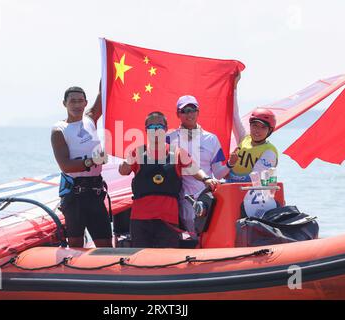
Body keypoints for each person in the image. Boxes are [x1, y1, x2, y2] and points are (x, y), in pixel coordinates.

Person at [118, 111, 217, 248]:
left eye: (159, 126)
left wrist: (206, 179)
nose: (156, 131)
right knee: (141, 260)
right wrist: (128, 159)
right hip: (141, 219)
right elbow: (123, 171)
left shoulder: (177, 152)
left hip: (168, 219)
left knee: (168, 261)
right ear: (146, 130)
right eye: (151, 128)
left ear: (165, 129)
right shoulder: (138, 152)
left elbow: (195, 169)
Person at [50, 85, 112, 248]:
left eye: (80, 101)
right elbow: (65, 166)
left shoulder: (90, 119)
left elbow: (102, 91)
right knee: (76, 245)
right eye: (72, 101)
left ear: (85, 103)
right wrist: (91, 161)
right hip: (75, 196)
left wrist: (110, 65)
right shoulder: (59, 130)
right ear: (65, 104)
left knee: (105, 244)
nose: (77, 105)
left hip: (96, 193)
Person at [167, 95, 229, 237]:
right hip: (181, 200)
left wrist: (231, 164)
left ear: (198, 112)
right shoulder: (169, 139)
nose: (189, 114)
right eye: (185, 110)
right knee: (191, 240)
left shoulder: (211, 139)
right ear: (178, 114)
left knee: (207, 238)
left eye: (193, 110)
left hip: (207, 199)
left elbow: (218, 174)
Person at [226, 74, 278, 182]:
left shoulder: (270, 152)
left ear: (269, 131)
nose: (257, 130)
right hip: (231, 190)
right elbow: (234, 115)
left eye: (263, 127)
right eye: (255, 125)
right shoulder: (244, 138)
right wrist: (234, 86)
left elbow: (254, 178)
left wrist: (228, 173)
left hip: (253, 195)